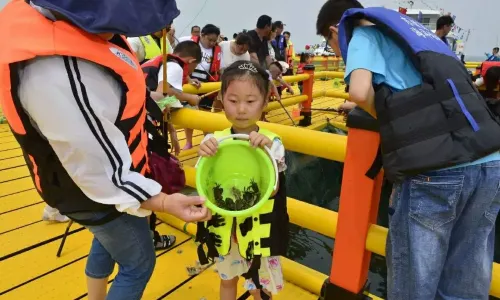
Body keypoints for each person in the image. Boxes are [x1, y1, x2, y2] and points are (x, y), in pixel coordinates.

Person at [0, 1, 211, 300]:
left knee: (107, 242)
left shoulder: (69, 25)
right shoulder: (56, 68)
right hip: (92, 189)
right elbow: (97, 169)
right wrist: (163, 202)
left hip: (95, 186)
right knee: (138, 262)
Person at [316, 1, 500, 299]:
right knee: (465, 280)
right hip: (489, 161)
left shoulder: (362, 34)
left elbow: (360, 91)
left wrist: (379, 113)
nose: (337, 53)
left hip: (436, 169)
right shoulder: (419, 37)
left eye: (331, 44)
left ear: (335, 31)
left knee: (415, 284)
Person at [196, 60, 289, 300]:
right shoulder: (214, 140)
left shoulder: (273, 142)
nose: (241, 109)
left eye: (250, 101)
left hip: (259, 231)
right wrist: (204, 150)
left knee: (259, 284)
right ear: (220, 99)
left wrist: (267, 154)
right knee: (228, 280)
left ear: (265, 101)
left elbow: (274, 190)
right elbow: (203, 183)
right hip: (226, 230)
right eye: (233, 101)